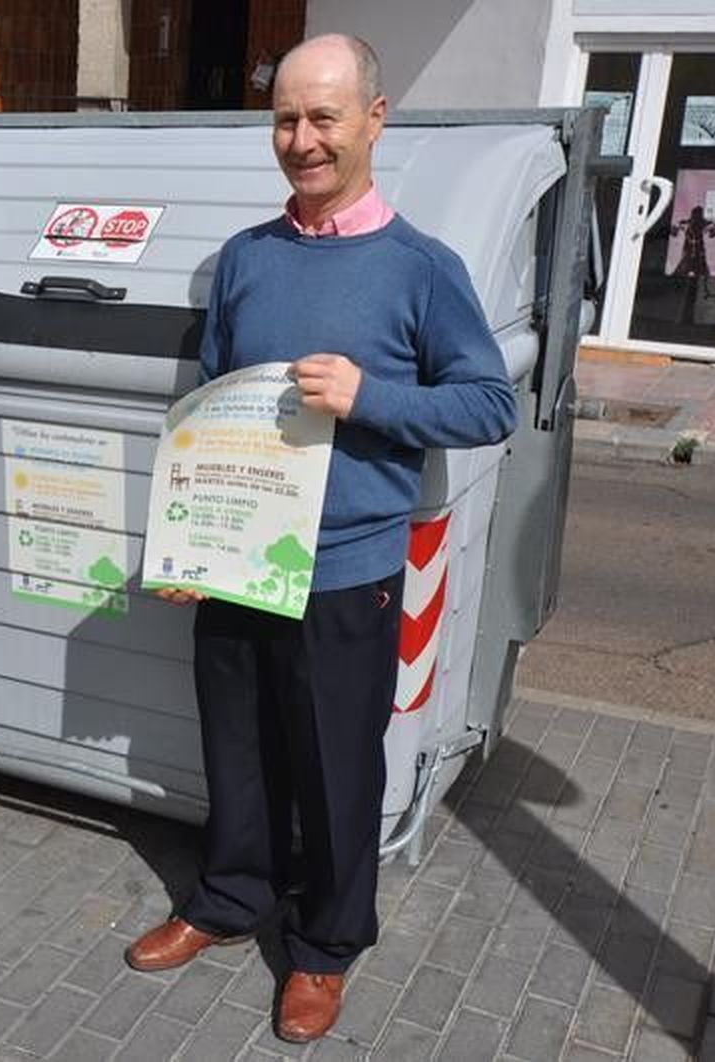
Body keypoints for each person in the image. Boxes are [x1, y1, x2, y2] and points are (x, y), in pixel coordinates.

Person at [124, 35, 517, 1042]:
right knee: (237, 748)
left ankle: (326, 944)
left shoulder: (422, 269)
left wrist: (368, 395)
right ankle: (229, 898)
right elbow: (210, 401)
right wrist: (184, 541)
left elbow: (488, 404)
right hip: (236, 556)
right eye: (286, 119)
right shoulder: (248, 258)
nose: (302, 139)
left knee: (338, 767)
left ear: (374, 121)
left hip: (346, 569)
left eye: (324, 118)